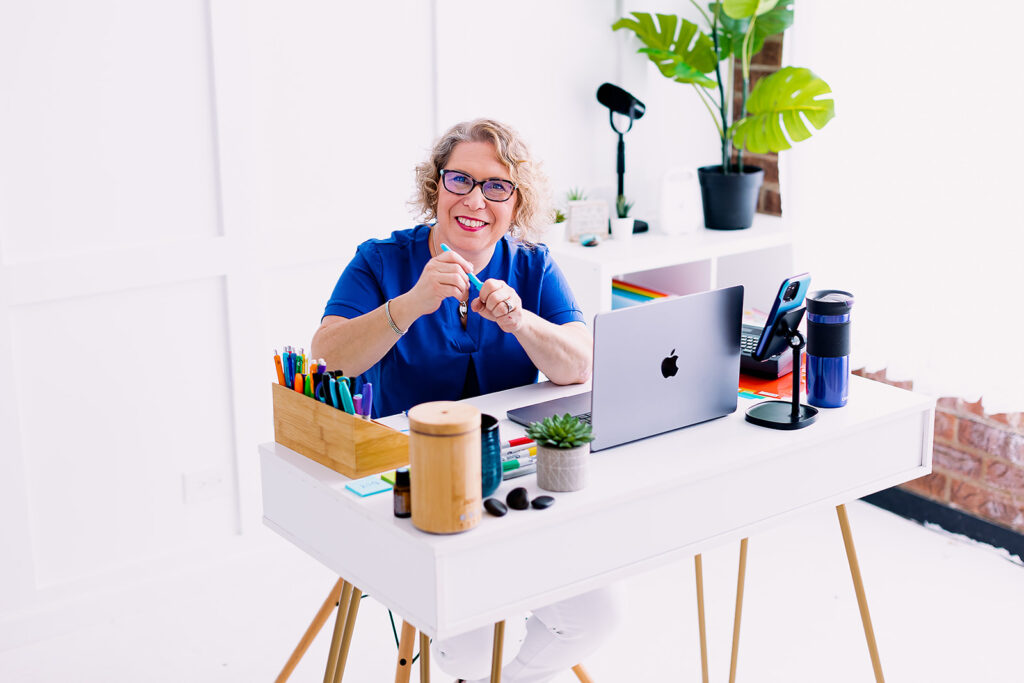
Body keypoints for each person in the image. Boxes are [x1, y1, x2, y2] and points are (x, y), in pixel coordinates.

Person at [311, 119, 621, 682]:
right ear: (436, 187)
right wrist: (409, 305)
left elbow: (580, 362)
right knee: (469, 646)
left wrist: (522, 321)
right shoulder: (383, 262)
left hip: (510, 481)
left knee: (594, 617)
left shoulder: (530, 264)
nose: (475, 200)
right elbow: (328, 357)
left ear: (516, 201)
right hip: (414, 493)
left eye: (496, 186)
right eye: (460, 180)